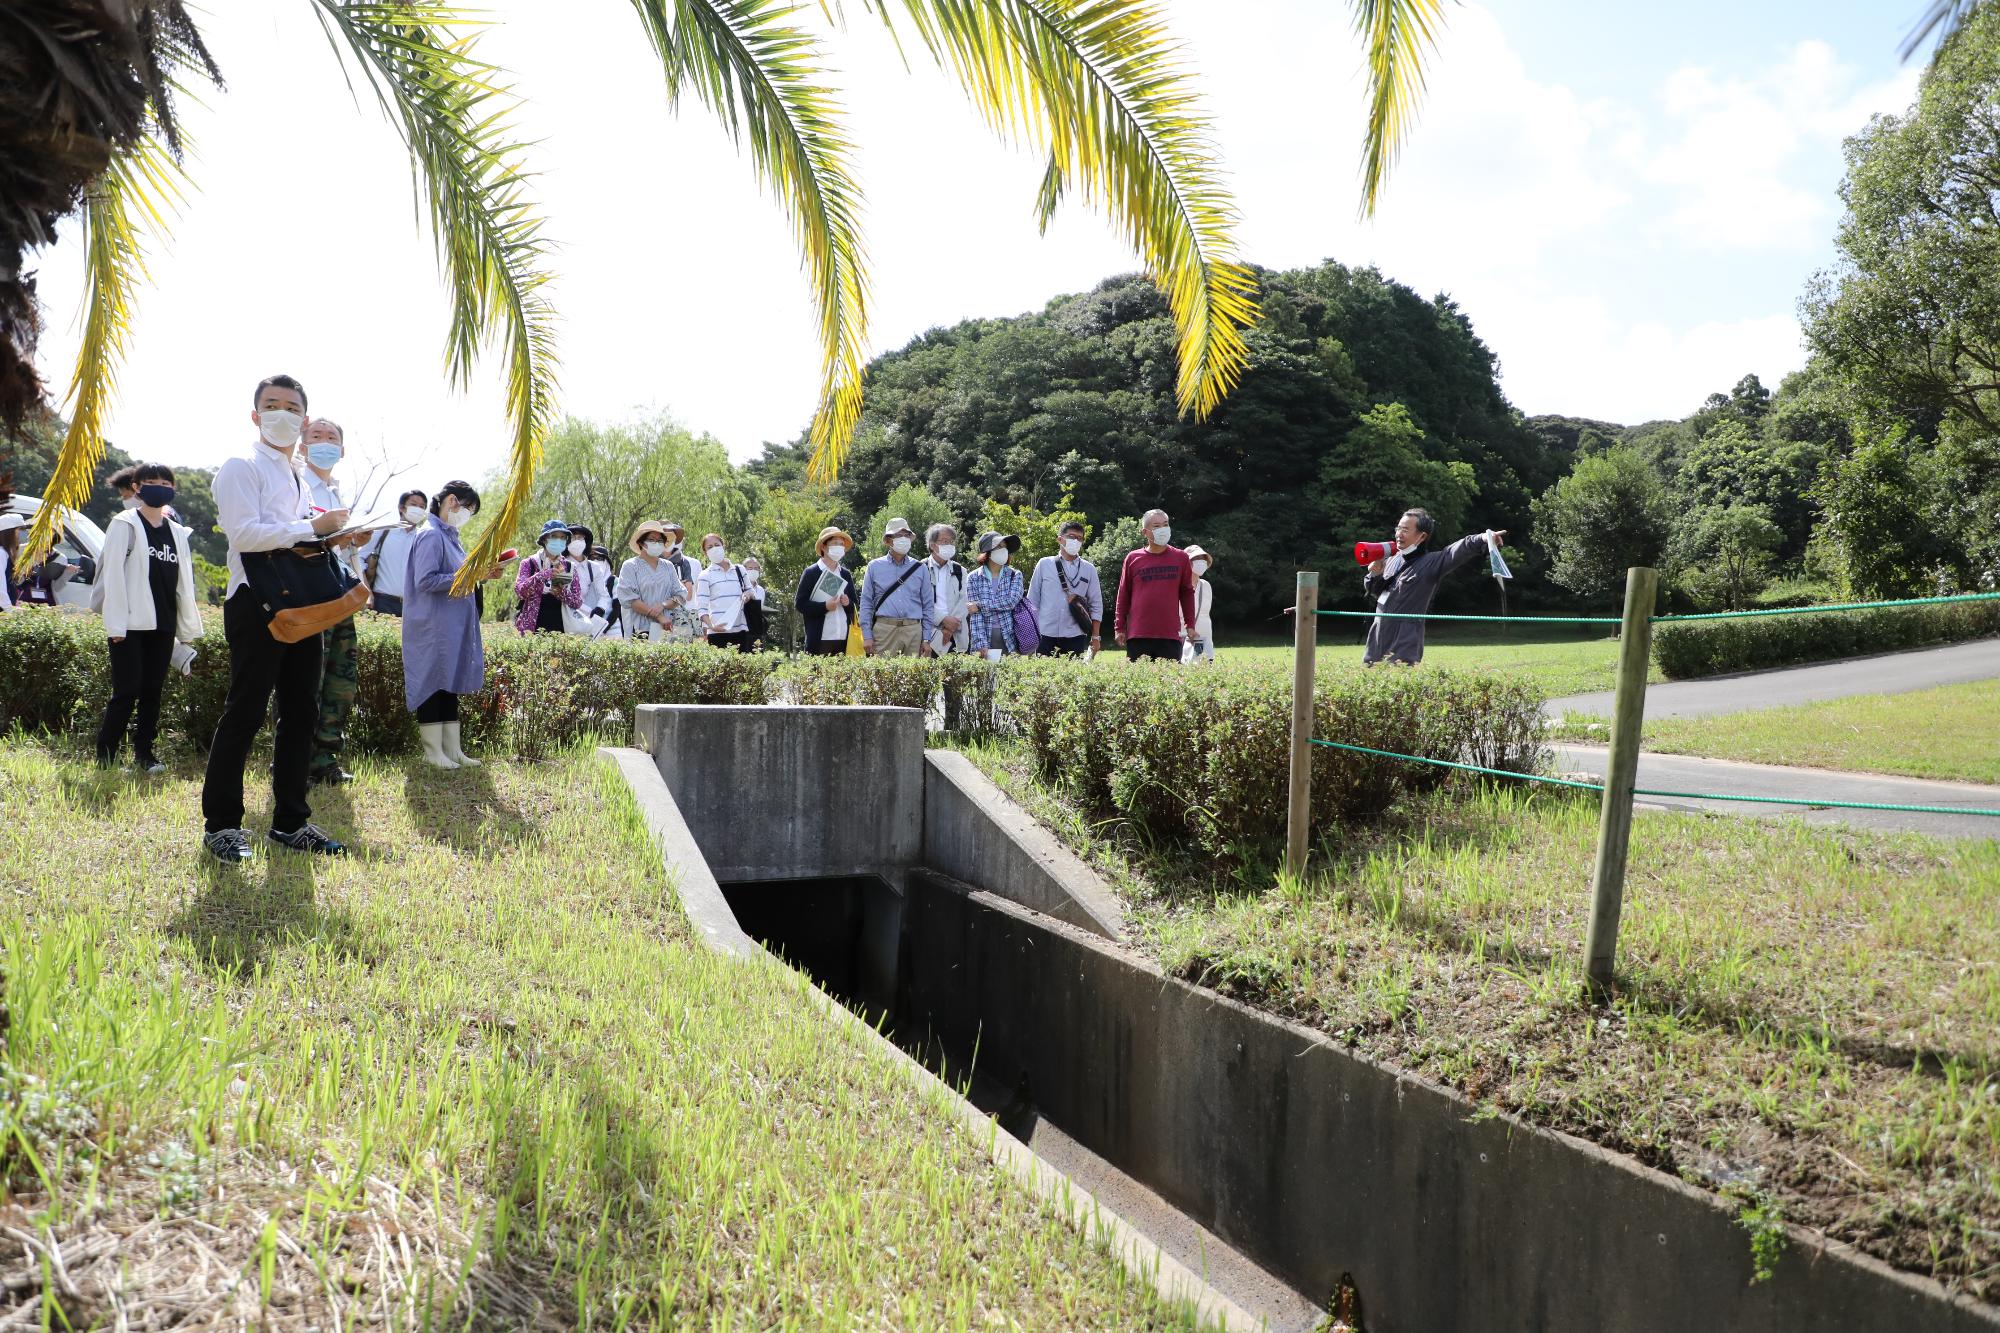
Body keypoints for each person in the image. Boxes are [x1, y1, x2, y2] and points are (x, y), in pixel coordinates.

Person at [200, 373, 356, 863]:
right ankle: (222, 825)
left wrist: (327, 537)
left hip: (299, 606)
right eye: (273, 405)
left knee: (300, 711)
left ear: (303, 419)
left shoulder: (293, 473)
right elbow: (244, 535)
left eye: (292, 407)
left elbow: (291, 537)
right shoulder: (240, 466)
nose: (282, 414)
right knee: (245, 711)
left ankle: (290, 821)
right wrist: (312, 526)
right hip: (255, 603)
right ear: (255, 415)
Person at [93, 463, 203, 771]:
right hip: (129, 625)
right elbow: (113, 576)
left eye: (165, 482)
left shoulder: (177, 532)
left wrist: (185, 629)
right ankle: (107, 756)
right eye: (151, 481)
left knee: (152, 692)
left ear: (173, 489)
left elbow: (183, 584)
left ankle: (145, 755)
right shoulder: (124, 524)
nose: (159, 486)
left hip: (163, 624)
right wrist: (115, 624)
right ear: (137, 487)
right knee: (126, 692)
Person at [403, 481, 499, 768]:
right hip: (432, 627)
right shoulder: (431, 535)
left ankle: (452, 749)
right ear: (452, 501)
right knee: (432, 684)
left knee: (448, 684)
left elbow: (458, 578)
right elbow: (426, 580)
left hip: (450, 627)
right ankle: (433, 752)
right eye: (469, 508)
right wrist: (470, 577)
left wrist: (481, 575)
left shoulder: (451, 536)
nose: (468, 514)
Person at [300, 418, 362, 786]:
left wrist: (356, 538)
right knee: (306, 680)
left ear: (342, 449)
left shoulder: (335, 492)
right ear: (303, 445)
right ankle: (293, 760)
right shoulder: (295, 485)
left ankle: (325, 758)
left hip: (338, 592)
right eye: (317, 436)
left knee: (340, 680)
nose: (325, 442)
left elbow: (339, 545)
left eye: (332, 437)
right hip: (309, 597)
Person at [1362, 509, 1507, 666]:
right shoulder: (1390, 559)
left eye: (1405, 530)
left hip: (1403, 648)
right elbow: (1375, 592)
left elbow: (1456, 550)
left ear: (1422, 536)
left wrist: (1482, 538)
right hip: (1375, 646)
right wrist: (1374, 574)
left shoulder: (1432, 563)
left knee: (1399, 687)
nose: (1399, 534)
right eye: (1398, 528)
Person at [1114, 508, 1195, 663]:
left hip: (1170, 635)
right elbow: (1123, 594)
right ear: (1145, 532)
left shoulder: (1181, 558)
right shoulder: (1132, 558)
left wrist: (1190, 624)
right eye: (1157, 526)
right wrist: (1119, 627)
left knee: (1169, 684)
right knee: (1137, 684)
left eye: (1165, 524)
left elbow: (1187, 592)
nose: (1163, 529)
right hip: (1139, 634)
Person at [860, 516, 934, 657]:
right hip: (884, 629)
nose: (903, 538)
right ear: (888, 540)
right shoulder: (875, 566)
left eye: (906, 535)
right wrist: (867, 635)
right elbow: (866, 602)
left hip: (913, 629)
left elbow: (928, 605)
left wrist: (926, 638)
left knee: (913, 676)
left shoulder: (920, 568)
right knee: (882, 676)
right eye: (899, 535)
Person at [1027, 519, 1103, 657]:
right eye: (1072, 537)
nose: (1076, 541)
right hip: (1045, 633)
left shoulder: (1089, 569)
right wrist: (1031, 634)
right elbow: (1032, 601)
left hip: (1075, 634)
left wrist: (1096, 636)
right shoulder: (1044, 564)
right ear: (1060, 539)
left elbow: (1096, 604)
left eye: (1080, 538)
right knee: (1041, 677)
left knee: (1072, 677)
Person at [617, 520, 689, 643]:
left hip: (669, 628)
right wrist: (658, 616)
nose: (656, 543)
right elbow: (630, 599)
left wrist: (664, 605)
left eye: (660, 540)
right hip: (640, 629)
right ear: (641, 542)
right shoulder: (630, 566)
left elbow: (681, 594)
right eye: (652, 539)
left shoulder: (668, 566)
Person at [362, 489, 428, 616]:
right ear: (401, 507)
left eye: (422, 507)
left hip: (414, 606)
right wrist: (366, 590)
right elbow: (358, 558)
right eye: (414, 504)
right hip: (382, 602)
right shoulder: (383, 532)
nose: (418, 509)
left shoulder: (424, 538)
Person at [514, 519, 583, 634]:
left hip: (560, 628)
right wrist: (542, 575)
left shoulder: (570, 567)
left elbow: (577, 602)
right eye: (554, 536)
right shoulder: (529, 563)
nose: (559, 540)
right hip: (531, 627)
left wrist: (561, 593)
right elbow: (520, 591)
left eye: (562, 537)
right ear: (544, 539)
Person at [794, 527, 855, 655]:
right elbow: (800, 604)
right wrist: (824, 606)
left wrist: (848, 603)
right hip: (819, 639)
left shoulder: (845, 574)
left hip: (843, 638)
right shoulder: (811, 572)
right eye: (835, 543)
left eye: (842, 544)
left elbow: (855, 605)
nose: (839, 547)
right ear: (823, 547)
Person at [966, 531, 1025, 658]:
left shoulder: (1015, 575)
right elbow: (974, 614)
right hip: (985, 635)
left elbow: (1011, 602)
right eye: (998, 547)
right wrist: (980, 643)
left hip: (1011, 636)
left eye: (1004, 547)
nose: (1003, 550)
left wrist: (981, 606)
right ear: (988, 551)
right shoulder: (973, 577)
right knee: (986, 676)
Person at [693, 532, 755, 652]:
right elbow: (702, 606)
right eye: (710, 547)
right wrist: (711, 626)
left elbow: (750, 590)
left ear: (723, 546)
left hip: (741, 629)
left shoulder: (739, 569)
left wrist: (747, 595)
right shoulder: (705, 575)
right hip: (718, 631)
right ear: (705, 553)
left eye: (717, 544)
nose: (714, 549)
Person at [923, 523, 969, 655]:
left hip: (956, 635)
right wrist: (942, 619)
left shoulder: (960, 570)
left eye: (951, 542)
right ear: (932, 545)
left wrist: (950, 628)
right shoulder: (921, 568)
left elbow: (965, 600)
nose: (949, 545)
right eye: (944, 541)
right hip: (929, 635)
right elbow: (919, 602)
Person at [562, 523, 614, 637]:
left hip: (587, 622)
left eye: (580, 537)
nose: (576, 541)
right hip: (564, 619)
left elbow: (604, 595)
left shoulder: (594, 568)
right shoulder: (561, 565)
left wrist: (600, 608)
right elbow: (564, 595)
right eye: (572, 538)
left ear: (585, 541)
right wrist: (588, 610)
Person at [1181, 544, 1217, 662]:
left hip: (1204, 641)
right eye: (1196, 559)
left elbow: (1205, 615)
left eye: (1203, 559)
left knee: (1202, 675)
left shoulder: (1206, 586)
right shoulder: (1177, 586)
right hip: (1182, 640)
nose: (1201, 562)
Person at [740, 554, 769, 650]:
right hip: (742, 630)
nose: (753, 570)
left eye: (756, 568)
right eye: (750, 568)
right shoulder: (739, 587)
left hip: (756, 631)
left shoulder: (761, 590)